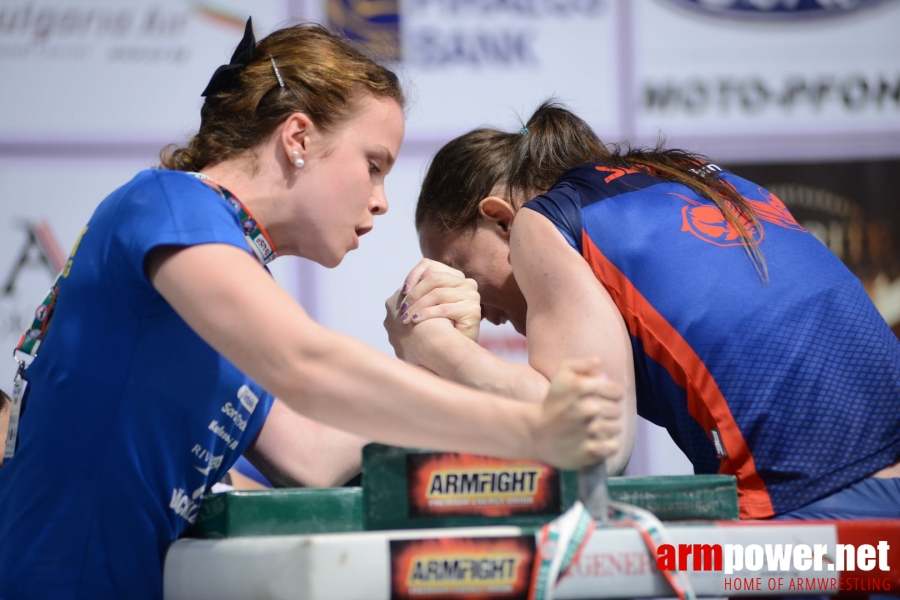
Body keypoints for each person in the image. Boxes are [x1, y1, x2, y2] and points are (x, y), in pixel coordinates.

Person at [0, 27, 623, 600]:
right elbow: (304, 364)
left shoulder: (221, 267)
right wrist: (524, 427)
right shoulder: (168, 203)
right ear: (298, 138)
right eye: (373, 165)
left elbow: (317, 457)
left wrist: (431, 356)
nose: (380, 202)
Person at [384, 100, 900, 521]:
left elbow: (598, 443)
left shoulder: (540, 223)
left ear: (501, 222)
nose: (478, 307)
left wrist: (431, 346)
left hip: (816, 509)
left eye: (459, 271)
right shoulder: (689, 175)